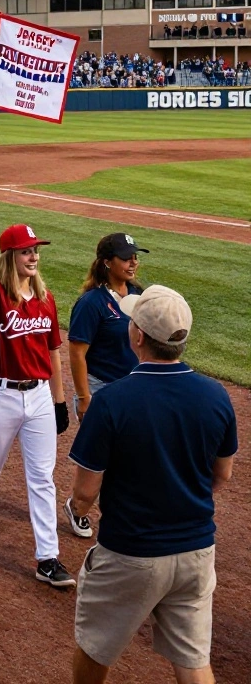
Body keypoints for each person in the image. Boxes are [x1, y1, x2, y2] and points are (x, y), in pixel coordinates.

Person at [68, 285, 237, 684]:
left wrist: (77, 510)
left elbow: (84, 493)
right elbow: (222, 474)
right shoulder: (216, 395)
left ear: (138, 336)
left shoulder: (113, 400)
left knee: (94, 650)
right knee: (194, 663)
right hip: (196, 551)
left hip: (131, 551)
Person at [0, 185, 74, 588]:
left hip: (39, 396)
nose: (34, 255)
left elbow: (54, 351)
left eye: (36, 250)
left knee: (42, 478)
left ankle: (48, 558)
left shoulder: (46, 298)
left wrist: (58, 401)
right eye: (26, 251)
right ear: (10, 257)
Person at [67, 231, 148, 429]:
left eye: (135, 257)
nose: (133, 262)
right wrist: (85, 397)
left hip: (133, 387)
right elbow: (77, 353)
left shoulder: (139, 294)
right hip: (101, 389)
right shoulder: (91, 302)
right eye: (126, 258)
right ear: (107, 262)